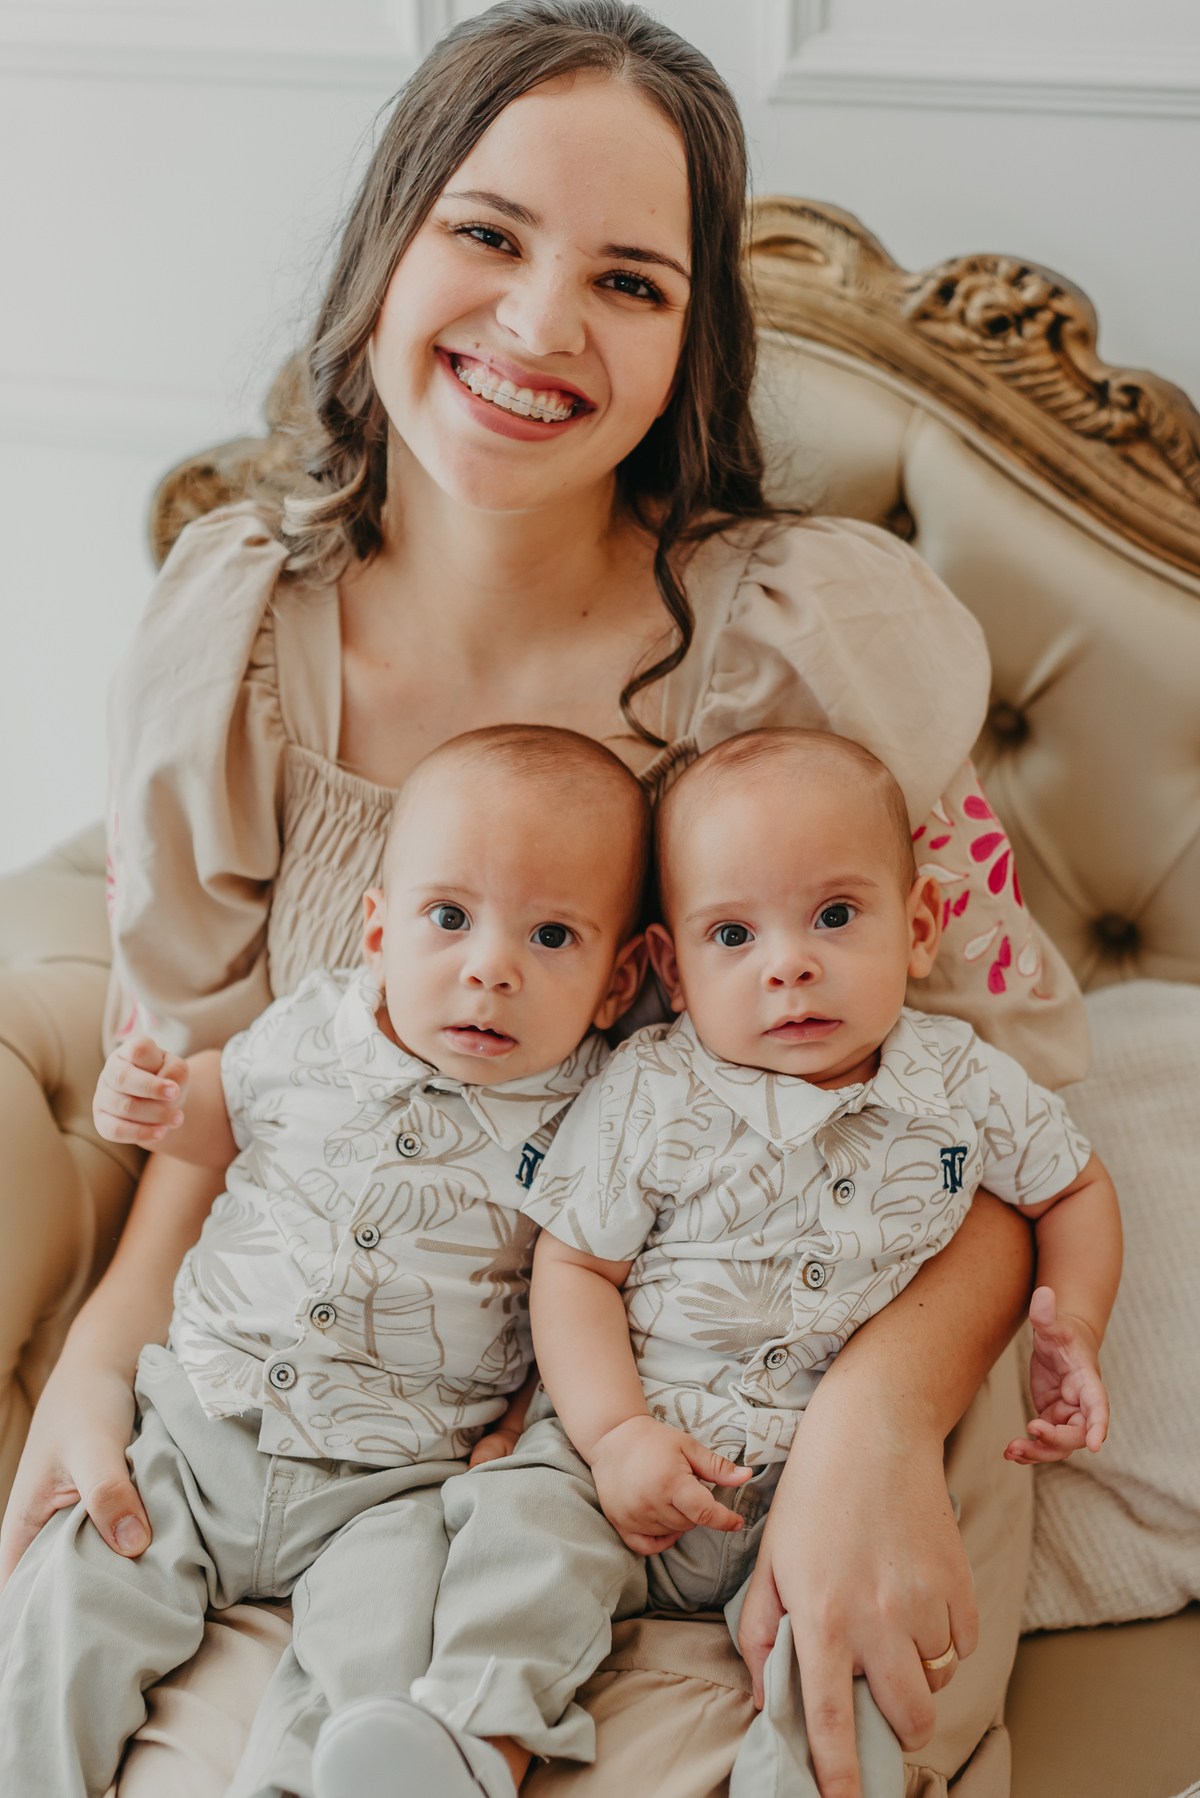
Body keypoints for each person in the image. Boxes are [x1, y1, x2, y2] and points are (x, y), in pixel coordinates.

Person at [0, 6, 1089, 1796]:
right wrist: (101, 1355)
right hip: (360, 1433)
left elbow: (995, 1114)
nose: (536, 324)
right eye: (488, 235)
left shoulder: (805, 648)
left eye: (630, 282)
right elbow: (215, 1087)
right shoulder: (232, 643)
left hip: (788, 1407)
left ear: (692, 343)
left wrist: (879, 1421)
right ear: (389, 244)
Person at [309, 730, 1121, 1798]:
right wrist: (614, 1437)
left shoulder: (963, 1083)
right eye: (733, 934)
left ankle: (813, 1778)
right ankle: (474, 1746)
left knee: (862, 1637)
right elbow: (575, 1270)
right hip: (630, 1456)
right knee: (525, 1540)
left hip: (816, 1492)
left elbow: (1073, 1188)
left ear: (920, 926)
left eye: (836, 916)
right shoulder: (651, 1090)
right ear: (671, 970)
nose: (789, 964)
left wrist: (1077, 1327)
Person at [0, 726, 653, 1798]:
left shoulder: (595, 1112)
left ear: (618, 979)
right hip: (204, 1423)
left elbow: (582, 1291)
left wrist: (522, 1420)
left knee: (379, 1673)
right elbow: (219, 1113)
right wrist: (153, 1099)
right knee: (67, 1609)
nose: (489, 968)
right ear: (379, 931)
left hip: (397, 1481)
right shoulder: (315, 1027)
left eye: (550, 936)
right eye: (450, 918)